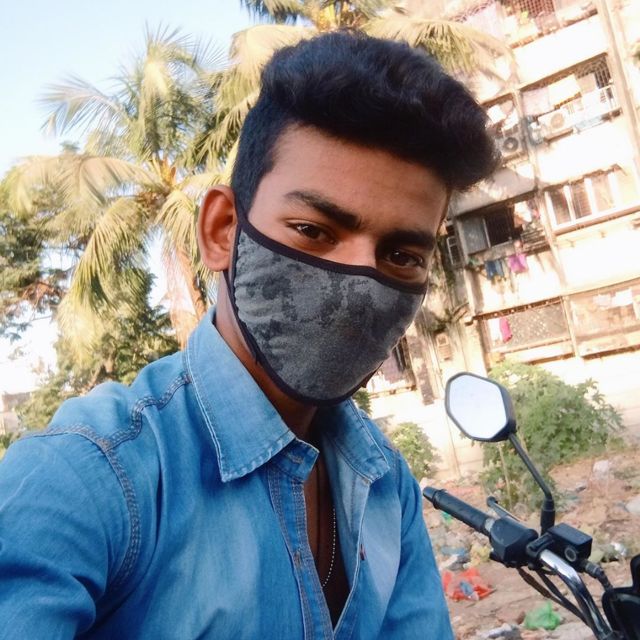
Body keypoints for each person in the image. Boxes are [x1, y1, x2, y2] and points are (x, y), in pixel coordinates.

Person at [0, 31, 497, 638]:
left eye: (401, 255)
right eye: (313, 230)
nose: (358, 288)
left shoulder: (385, 483)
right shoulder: (90, 477)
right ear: (221, 231)